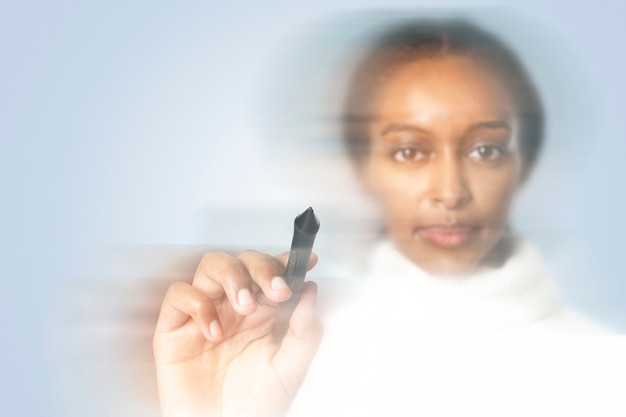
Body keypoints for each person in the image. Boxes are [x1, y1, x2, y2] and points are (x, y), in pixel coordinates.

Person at [152, 18, 617, 417]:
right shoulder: (286, 362)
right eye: (410, 150)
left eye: (485, 149)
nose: (451, 192)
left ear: (523, 165)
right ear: (363, 169)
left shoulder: (611, 375)